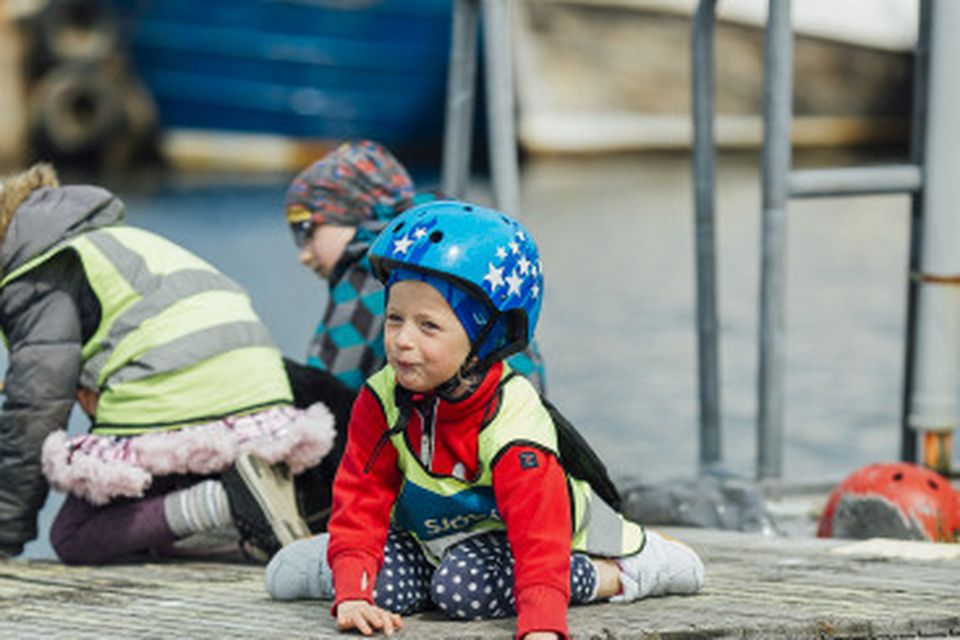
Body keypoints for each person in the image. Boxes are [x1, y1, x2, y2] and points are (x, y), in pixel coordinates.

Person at [265, 201, 704, 639]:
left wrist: (542, 626)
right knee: (380, 587)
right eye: (395, 318)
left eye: (428, 326)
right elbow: (362, 494)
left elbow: (538, 535)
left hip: (538, 542)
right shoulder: (382, 396)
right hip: (433, 537)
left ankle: (622, 572)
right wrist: (354, 592)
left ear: (486, 337)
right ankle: (343, 562)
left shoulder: (513, 418)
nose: (402, 340)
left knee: (463, 591)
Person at [0, 163, 337, 563]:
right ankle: (254, 505)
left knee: (75, 534)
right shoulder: (111, 242)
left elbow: (35, 409)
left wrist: (6, 533)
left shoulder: (38, 272)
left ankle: (225, 502)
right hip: (259, 391)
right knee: (148, 521)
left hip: (183, 393)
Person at [284, 139, 547, 393]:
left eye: (305, 230)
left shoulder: (378, 264)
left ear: (356, 211)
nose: (303, 255)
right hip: (521, 414)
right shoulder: (455, 247)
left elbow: (331, 390)